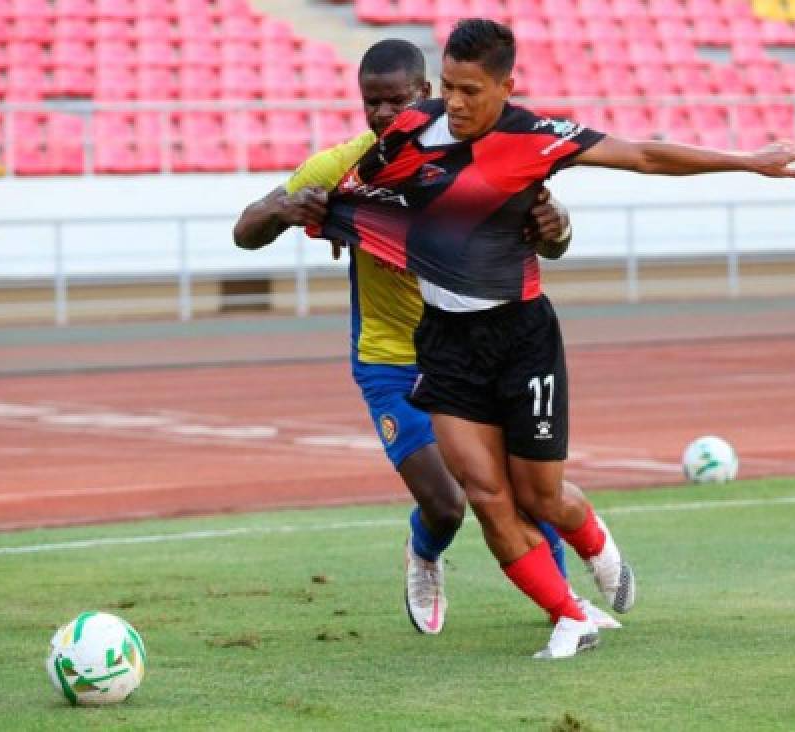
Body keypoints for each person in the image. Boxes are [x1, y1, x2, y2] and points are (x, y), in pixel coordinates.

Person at [312, 19, 795, 659]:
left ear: (505, 86)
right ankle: (569, 616)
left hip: (521, 338)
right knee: (488, 497)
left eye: (471, 90)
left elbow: (644, 154)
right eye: (448, 88)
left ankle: (595, 539)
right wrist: (322, 213)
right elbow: (353, 188)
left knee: (538, 496)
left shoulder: (536, 137)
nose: (456, 104)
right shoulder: (410, 133)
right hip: (443, 343)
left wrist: (748, 162)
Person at [232, 39, 618, 637]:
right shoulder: (349, 168)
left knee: (518, 489)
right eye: (371, 104)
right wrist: (287, 209)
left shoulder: (487, 163)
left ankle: (563, 606)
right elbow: (244, 230)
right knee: (446, 503)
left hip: (474, 350)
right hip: (391, 359)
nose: (384, 116)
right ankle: (425, 554)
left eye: (397, 101)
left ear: (429, 95)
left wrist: (558, 226)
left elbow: (549, 241)